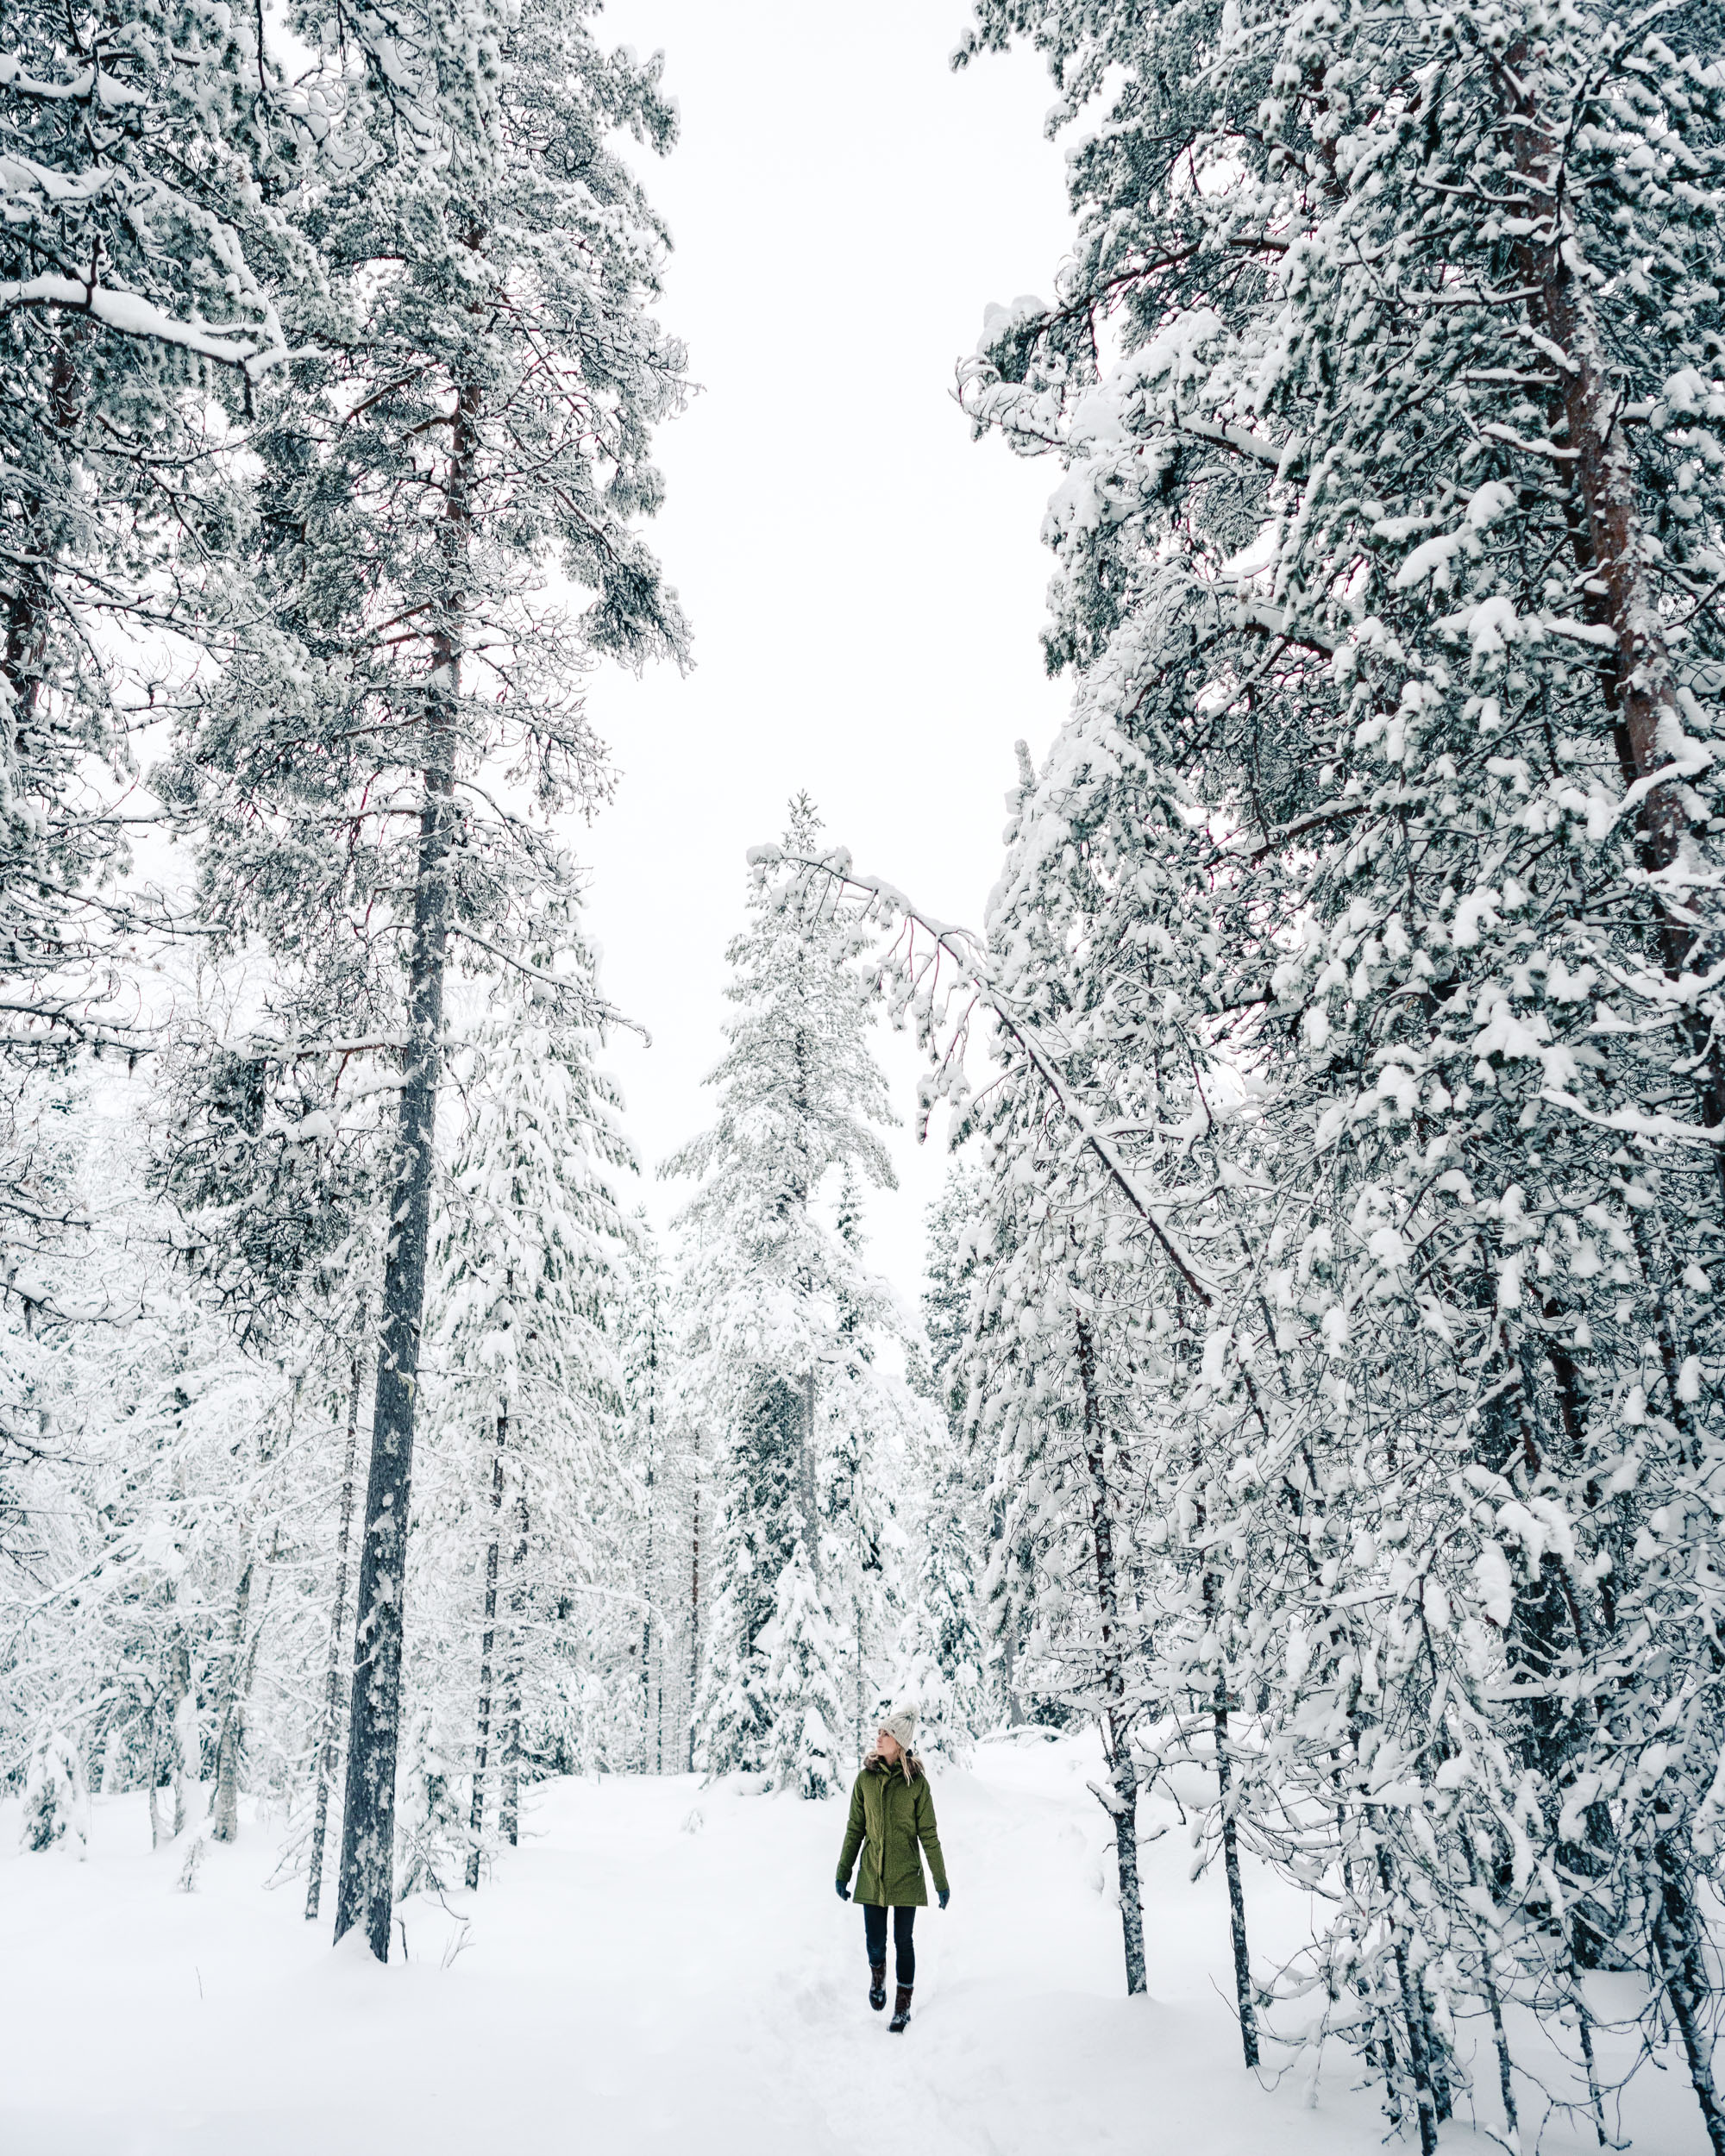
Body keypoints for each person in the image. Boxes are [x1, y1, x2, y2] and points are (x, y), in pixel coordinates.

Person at [834, 1705, 949, 2032]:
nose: (879, 1737)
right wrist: (843, 1872)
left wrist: (940, 1881)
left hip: (906, 1876)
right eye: (879, 1732)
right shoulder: (865, 1780)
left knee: (903, 1941)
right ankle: (877, 1977)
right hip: (872, 1874)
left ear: (900, 1743)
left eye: (886, 1734)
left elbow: (929, 1835)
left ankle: (902, 2006)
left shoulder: (917, 1785)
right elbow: (855, 1829)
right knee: (875, 1942)